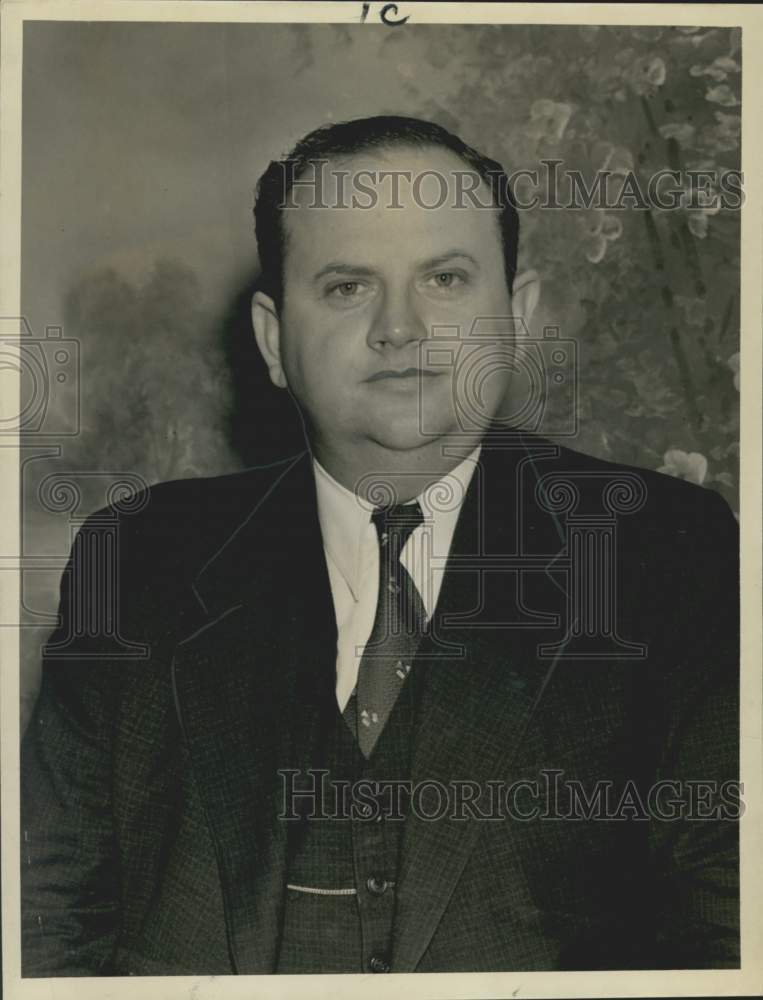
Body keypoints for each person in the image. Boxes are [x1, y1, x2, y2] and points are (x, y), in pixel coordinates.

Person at [21, 116, 739, 976]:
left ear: (517, 316)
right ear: (271, 339)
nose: (399, 328)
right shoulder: (136, 561)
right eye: (345, 287)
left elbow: (726, 929)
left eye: (443, 277)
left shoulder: (668, 556)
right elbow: (47, 922)